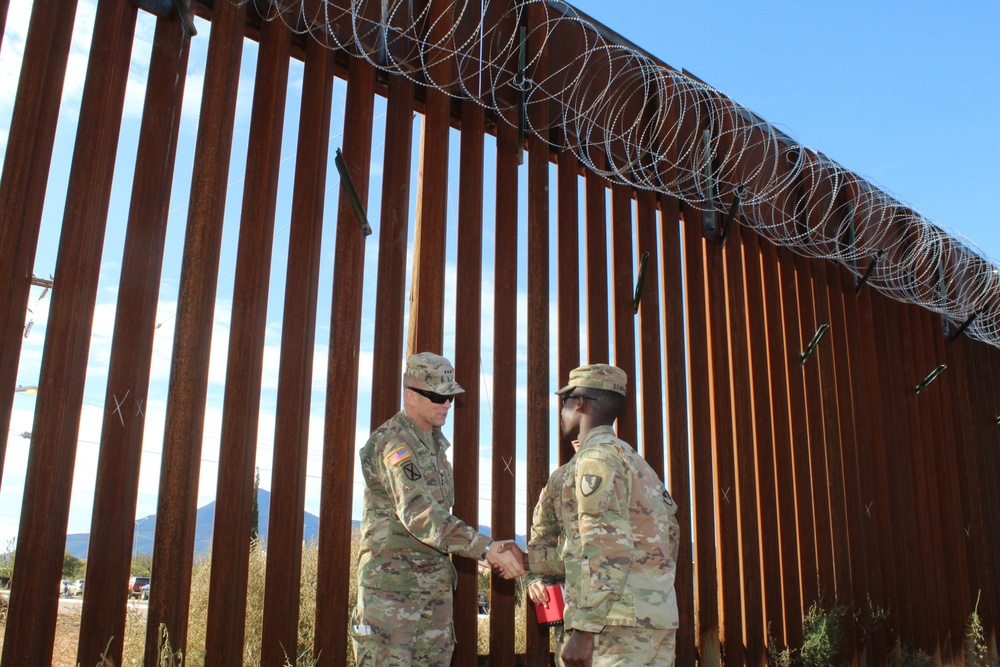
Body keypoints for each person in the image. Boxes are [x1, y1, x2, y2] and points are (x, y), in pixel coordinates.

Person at [352, 351, 525, 666]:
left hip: (432, 591)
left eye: (450, 396)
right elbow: (418, 511)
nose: (446, 403)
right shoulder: (394, 442)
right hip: (393, 595)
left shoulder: (434, 446)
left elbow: (439, 516)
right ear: (411, 397)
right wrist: (484, 548)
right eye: (436, 396)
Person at [513, 363, 681, 667]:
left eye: (564, 403)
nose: (562, 412)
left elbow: (602, 545)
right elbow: (670, 536)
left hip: (611, 628)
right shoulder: (640, 466)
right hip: (654, 621)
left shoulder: (594, 461)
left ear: (578, 403)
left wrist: (585, 628)